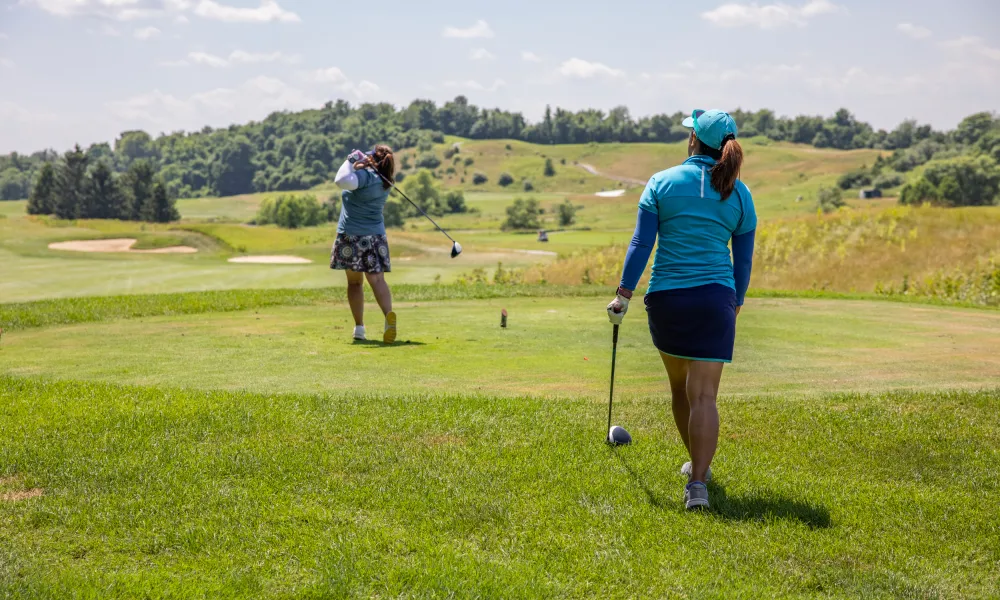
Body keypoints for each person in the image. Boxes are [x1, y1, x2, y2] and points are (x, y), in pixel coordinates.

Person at [607, 109, 757, 511]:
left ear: (693, 140)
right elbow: (742, 262)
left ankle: (698, 468)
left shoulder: (661, 182)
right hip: (715, 301)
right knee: (704, 395)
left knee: (680, 389)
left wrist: (623, 293)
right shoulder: (740, 195)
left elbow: (642, 245)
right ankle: (698, 484)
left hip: (668, 300)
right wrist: (736, 301)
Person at [332, 145, 397, 344]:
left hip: (351, 236)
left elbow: (340, 180)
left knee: (354, 283)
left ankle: (359, 328)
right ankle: (388, 317)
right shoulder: (384, 181)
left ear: (373, 160)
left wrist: (350, 160)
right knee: (378, 281)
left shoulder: (365, 178)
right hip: (376, 237)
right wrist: (361, 165)